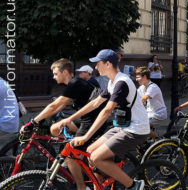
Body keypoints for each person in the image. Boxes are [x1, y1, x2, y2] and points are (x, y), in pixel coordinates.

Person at [60, 49, 150, 190]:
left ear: (108, 64)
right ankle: (102, 183)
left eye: (98, 63)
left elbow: (107, 110)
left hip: (136, 129)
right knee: (90, 151)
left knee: (96, 157)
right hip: (124, 126)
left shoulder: (122, 82)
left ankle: (134, 185)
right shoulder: (112, 82)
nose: (96, 67)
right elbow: (96, 103)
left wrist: (86, 135)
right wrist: (71, 118)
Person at [20, 58, 108, 190]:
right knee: (55, 128)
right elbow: (58, 107)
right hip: (87, 119)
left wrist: (33, 122)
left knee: (68, 155)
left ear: (65, 72)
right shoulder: (75, 83)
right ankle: (76, 156)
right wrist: (43, 118)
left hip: (92, 122)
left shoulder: (75, 83)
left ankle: (81, 186)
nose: (54, 77)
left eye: (56, 74)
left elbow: (54, 106)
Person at [135, 67, 167, 139]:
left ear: (145, 77)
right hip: (149, 114)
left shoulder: (153, 87)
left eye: (138, 77)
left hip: (158, 114)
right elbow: (134, 97)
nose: (136, 79)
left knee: (142, 127)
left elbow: (144, 98)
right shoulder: (142, 87)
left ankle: (160, 141)